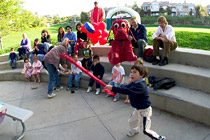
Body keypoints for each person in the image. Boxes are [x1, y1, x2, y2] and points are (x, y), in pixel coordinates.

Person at [104, 65, 166, 140]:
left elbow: (127, 91)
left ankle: (158, 138)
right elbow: (125, 87)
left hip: (145, 111)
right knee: (131, 122)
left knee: (145, 130)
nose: (131, 74)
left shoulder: (141, 86)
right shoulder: (134, 82)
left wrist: (113, 88)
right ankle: (135, 130)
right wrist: (112, 88)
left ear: (141, 75)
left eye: (134, 72)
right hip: (137, 109)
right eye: (131, 72)